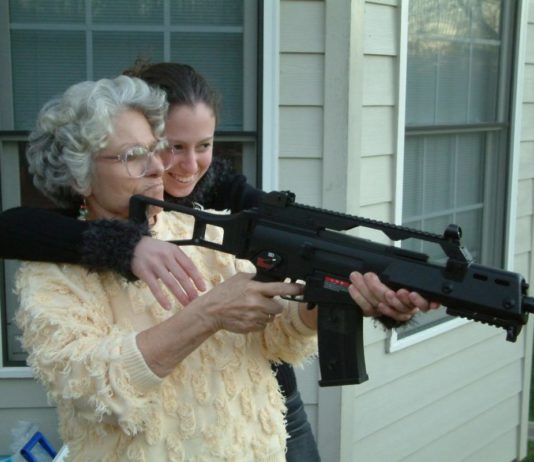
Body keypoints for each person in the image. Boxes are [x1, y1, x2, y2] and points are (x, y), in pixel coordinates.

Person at [0, 62, 436, 460]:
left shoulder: (204, 222)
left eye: (156, 149)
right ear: (80, 173)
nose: (163, 168)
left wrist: (339, 295)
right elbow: (96, 392)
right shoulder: (52, 274)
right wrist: (203, 310)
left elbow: (273, 330)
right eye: (135, 155)